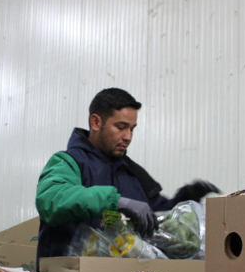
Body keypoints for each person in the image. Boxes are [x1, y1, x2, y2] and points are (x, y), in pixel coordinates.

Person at [35, 88, 220, 262]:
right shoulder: (68, 162)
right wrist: (117, 201)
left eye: (132, 128)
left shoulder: (133, 173)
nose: (128, 136)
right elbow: (52, 200)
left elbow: (156, 217)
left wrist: (185, 199)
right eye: (121, 127)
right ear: (96, 122)